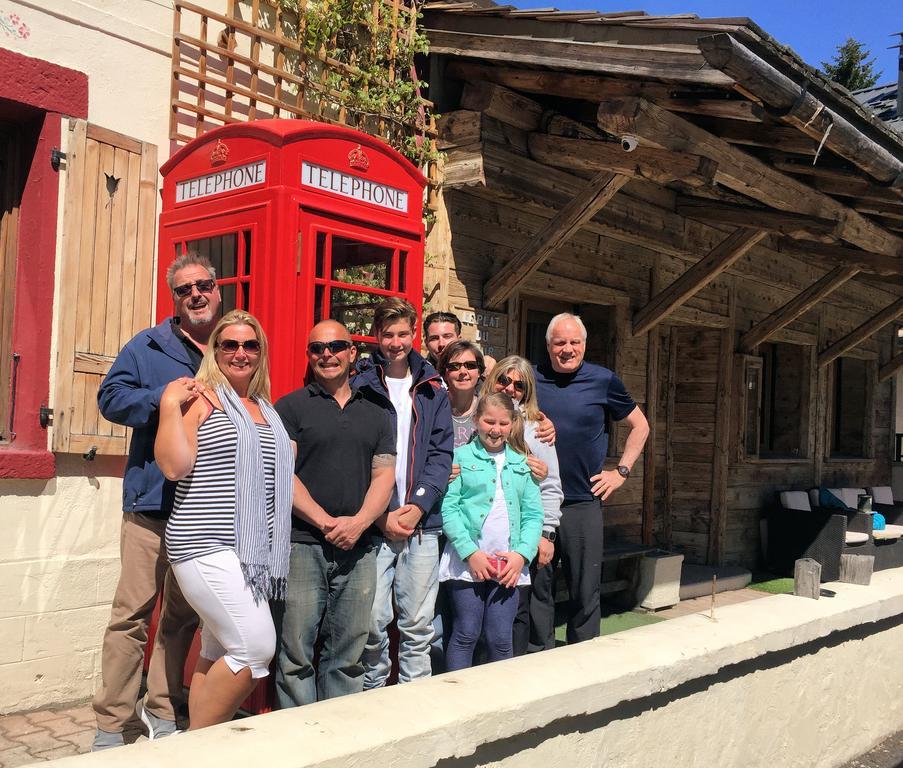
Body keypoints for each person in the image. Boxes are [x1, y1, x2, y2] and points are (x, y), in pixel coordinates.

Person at [92, 253, 219, 750]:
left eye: (203, 285)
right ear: (175, 298)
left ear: (218, 288)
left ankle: (163, 709)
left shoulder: (233, 345)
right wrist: (164, 398)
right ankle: (111, 722)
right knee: (131, 616)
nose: (196, 295)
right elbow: (110, 398)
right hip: (151, 503)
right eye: (185, 289)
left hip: (203, 507)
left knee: (182, 616)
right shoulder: (148, 346)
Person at [155, 310, 293, 730]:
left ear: (261, 353)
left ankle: (202, 744)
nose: (240, 353)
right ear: (215, 351)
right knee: (255, 647)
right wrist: (167, 406)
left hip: (248, 551)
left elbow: (278, 479)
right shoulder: (201, 398)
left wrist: (329, 519)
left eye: (250, 345)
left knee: (219, 648)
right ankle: (197, 747)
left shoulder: (266, 409)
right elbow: (174, 467)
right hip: (203, 544)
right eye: (229, 344)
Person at [273, 320, 396, 706]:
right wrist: (326, 522)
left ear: (352, 353)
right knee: (295, 653)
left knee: (349, 652)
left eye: (337, 346)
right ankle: (297, 741)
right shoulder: (290, 407)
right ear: (309, 356)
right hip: (303, 543)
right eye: (317, 349)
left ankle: (338, 737)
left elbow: (384, 475)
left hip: (359, 547)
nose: (327, 354)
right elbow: (283, 474)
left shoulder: (377, 413)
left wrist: (358, 523)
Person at [353, 297, 453, 687]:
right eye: (388, 334)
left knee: (417, 624)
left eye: (403, 334)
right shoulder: (360, 382)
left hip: (421, 524)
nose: (396, 342)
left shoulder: (432, 386)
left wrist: (417, 506)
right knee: (373, 621)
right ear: (377, 336)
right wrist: (379, 514)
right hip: (375, 523)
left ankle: (416, 700)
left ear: (414, 333)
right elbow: (354, 454)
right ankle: (372, 694)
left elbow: (441, 454)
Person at [533, 313, 649, 646]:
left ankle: (584, 657)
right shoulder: (531, 378)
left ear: (584, 344)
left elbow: (641, 426)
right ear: (548, 345)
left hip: (582, 502)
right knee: (538, 586)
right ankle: (537, 656)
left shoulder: (603, 380)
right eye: (560, 343)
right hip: (536, 501)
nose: (567, 349)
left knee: (585, 588)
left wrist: (621, 472)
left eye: (574, 342)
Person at [439, 393, 543, 670]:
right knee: (466, 633)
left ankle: (499, 701)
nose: (495, 429)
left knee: (499, 637)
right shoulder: (459, 458)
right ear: (476, 421)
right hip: (467, 561)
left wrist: (522, 555)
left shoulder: (523, 464)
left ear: (512, 425)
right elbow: (449, 509)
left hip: (508, 563)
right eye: (488, 421)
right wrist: (470, 552)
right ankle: (458, 698)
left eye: (503, 423)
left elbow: (534, 515)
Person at [484, 356, 563, 655]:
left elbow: (552, 484)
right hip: (484, 531)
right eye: (504, 380)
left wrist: (547, 533)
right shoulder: (480, 416)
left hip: (523, 534)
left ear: (527, 390)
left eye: (519, 384)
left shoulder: (537, 429)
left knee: (517, 609)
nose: (510, 388)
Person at [424, 310, 497, 372]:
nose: (441, 344)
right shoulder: (417, 372)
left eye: (447, 336)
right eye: (434, 338)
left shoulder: (477, 368)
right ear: (426, 343)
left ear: (458, 340)